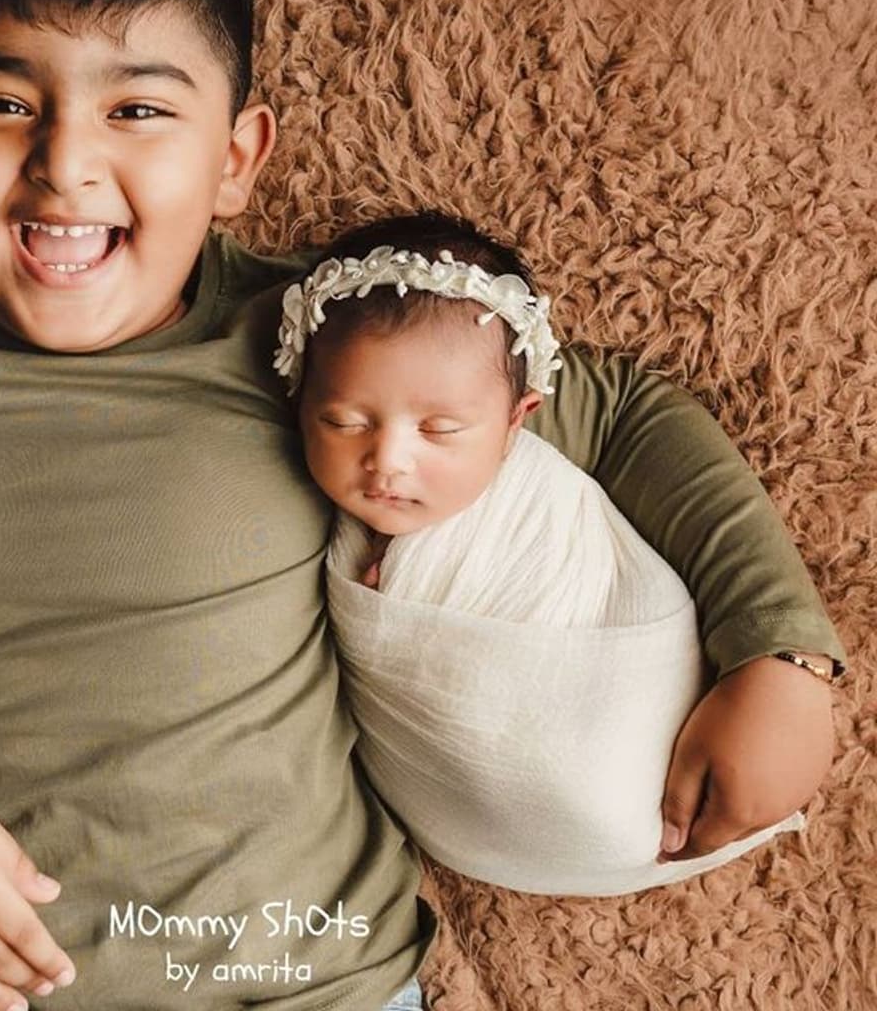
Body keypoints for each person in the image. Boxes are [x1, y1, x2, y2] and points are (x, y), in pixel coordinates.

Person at [0, 0, 845, 1011]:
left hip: (322, 983)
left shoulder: (312, 335)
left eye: (137, 110)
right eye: (1, 101)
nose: (63, 164)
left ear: (236, 157)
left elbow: (629, 415)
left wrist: (781, 651)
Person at [277, 212, 836, 897]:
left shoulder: (529, 463)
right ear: (299, 397)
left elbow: (628, 418)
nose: (388, 460)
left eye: (441, 429)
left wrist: (785, 655)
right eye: (343, 421)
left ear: (518, 420)